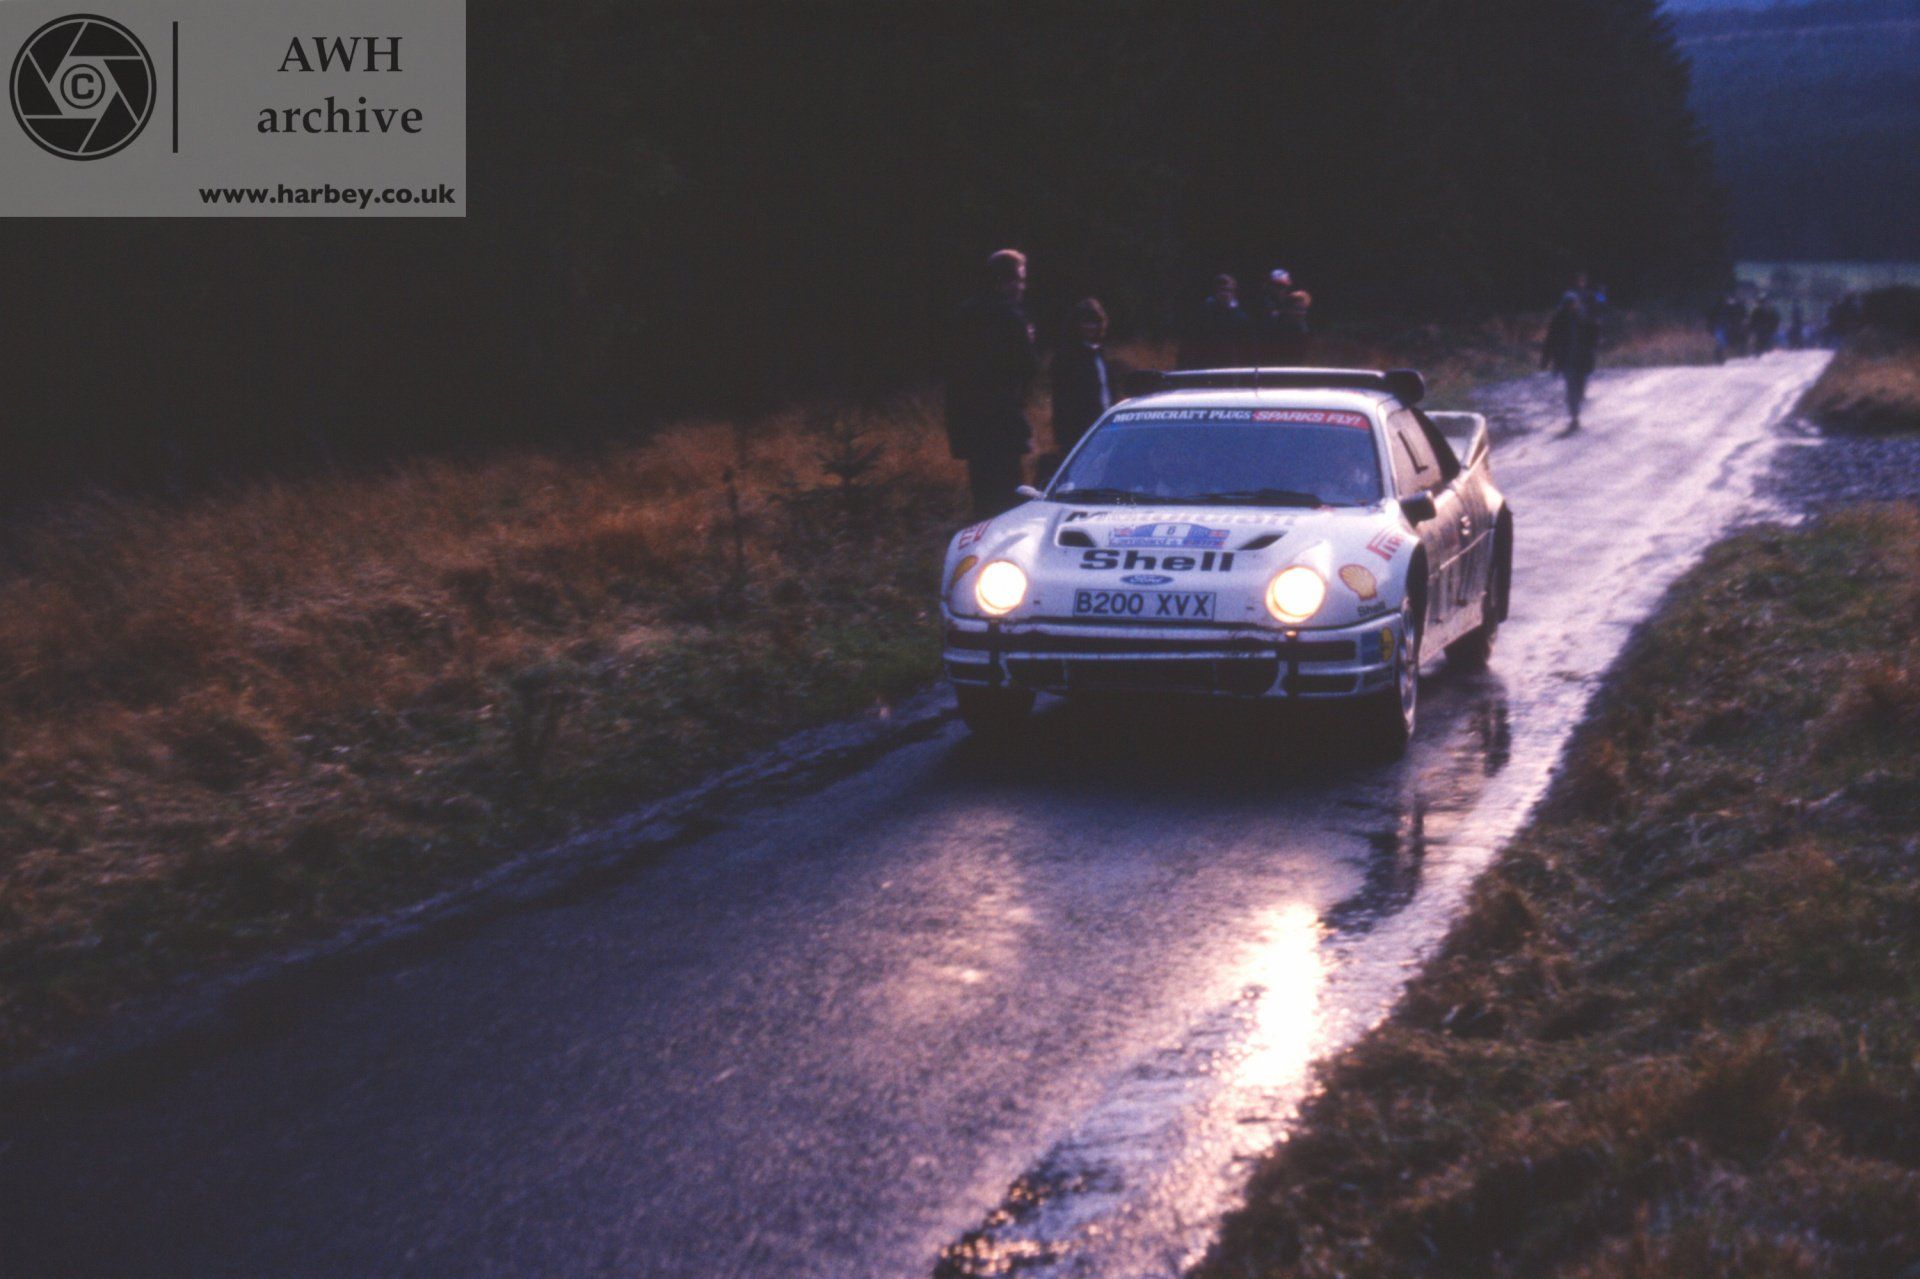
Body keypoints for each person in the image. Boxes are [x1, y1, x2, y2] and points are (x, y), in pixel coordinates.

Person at [946, 249, 1039, 517]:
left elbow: (953, 370)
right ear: (1003, 281)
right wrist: (1028, 338)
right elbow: (1028, 367)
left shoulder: (964, 314)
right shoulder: (1009, 315)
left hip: (971, 424)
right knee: (1009, 501)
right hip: (1003, 422)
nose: (1022, 287)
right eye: (1019, 280)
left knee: (983, 499)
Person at [1047, 297, 1113, 468]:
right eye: (1085, 322)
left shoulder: (1101, 354)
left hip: (1104, 426)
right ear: (1075, 325)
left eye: (1095, 322)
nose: (1091, 327)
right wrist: (1063, 437)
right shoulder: (1066, 357)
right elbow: (1060, 400)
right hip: (1077, 431)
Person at [1541, 290, 1600, 430]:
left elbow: (1594, 334)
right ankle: (1574, 416)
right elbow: (1550, 340)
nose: (1572, 306)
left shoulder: (1583, 317)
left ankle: (1576, 408)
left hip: (1582, 359)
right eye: (1569, 304)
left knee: (1580, 388)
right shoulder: (1558, 320)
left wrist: (1593, 347)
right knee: (1571, 388)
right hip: (1566, 360)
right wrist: (1545, 359)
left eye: (1573, 303)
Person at [1179, 273, 1252, 369]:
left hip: (1231, 365)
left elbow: (1245, 346)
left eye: (1229, 290)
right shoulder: (1203, 315)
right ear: (1215, 291)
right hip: (1206, 364)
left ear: (1234, 293)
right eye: (1222, 290)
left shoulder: (1241, 318)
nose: (1225, 294)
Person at [1252, 267, 1313, 364]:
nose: (1282, 289)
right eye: (1278, 286)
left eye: (1285, 286)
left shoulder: (1292, 300)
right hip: (1270, 348)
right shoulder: (1262, 302)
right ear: (1270, 286)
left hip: (1293, 348)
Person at [1709, 292, 1746, 364]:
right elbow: (1713, 318)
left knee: (1726, 343)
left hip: (1730, 327)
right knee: (1721, 343)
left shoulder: (1737, 307)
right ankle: (1719, 360)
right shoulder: (1722, 307)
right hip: (1723, 327)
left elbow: (1741, 317)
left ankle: (1741, 358)